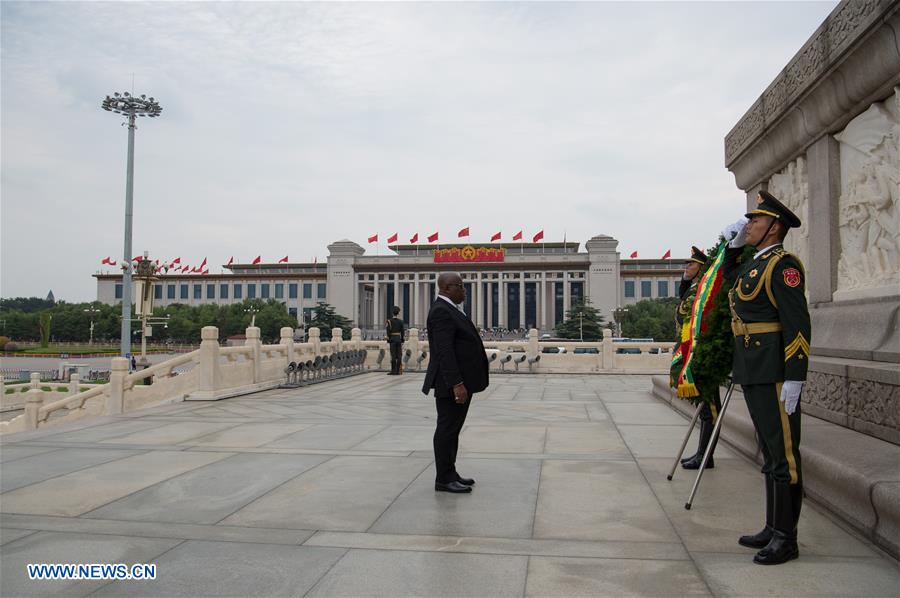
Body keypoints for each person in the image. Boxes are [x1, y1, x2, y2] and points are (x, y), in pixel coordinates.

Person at [721, 190, 810, 566]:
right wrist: (731, 247)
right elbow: (730, 281)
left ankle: (787, 537)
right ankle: (773, 527)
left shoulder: (784, 266)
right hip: (753, 368)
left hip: (775, 372)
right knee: (770, 452)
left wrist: (795, 377)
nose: (749, 225)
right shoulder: (755, 263)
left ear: (774, 228)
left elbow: (797, 324)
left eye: (755, 221)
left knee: (784, 456)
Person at [422, 272, 489, 493]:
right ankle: (443, 478)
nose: (465, 291)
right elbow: (445, 352)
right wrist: (457, 383)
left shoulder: (450, 309)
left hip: (458, 382)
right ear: (449, 288)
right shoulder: (442, 311)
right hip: (450, 383)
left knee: (453, 429)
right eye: (462, 286)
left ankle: (450, 472)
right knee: (447, 429)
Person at [675, 246, 723, 470]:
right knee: (705, 409)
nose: (687, 267)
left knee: (710, 408)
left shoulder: (707, 291)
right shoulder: (696, 288)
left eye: (691, 265)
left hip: (704, 352)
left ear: (702, 267)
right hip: (694, 352)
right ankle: (704, 454)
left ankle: (705, 456)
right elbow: (682, 303)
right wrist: (685, 280)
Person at [386, 306, 405, 375]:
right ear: (398, 313)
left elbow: (388, 332)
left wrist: (388, 339)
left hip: (392, 339)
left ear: (392, 313)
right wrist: (402, 339)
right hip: (398, 339)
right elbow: (402, 331)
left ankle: (393, 370)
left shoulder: (389, 321)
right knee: (399, 355)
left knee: (393, 355)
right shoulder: (401, 321)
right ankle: (398, 370)